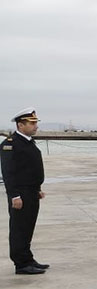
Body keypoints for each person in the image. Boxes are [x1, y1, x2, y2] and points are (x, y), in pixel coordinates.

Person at [1, 108, 48, 275]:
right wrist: (14, 195)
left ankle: (28, 259)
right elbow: (9, 172)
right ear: (20, 125)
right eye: (32, 123)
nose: (36, 126)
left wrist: (37, 189)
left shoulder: (27, 141)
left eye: (36, 123)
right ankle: (20, 264)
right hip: (20, 194)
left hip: (31, 192)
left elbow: (29, 169)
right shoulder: (10, 144)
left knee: (28, 227)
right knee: (19, 228)